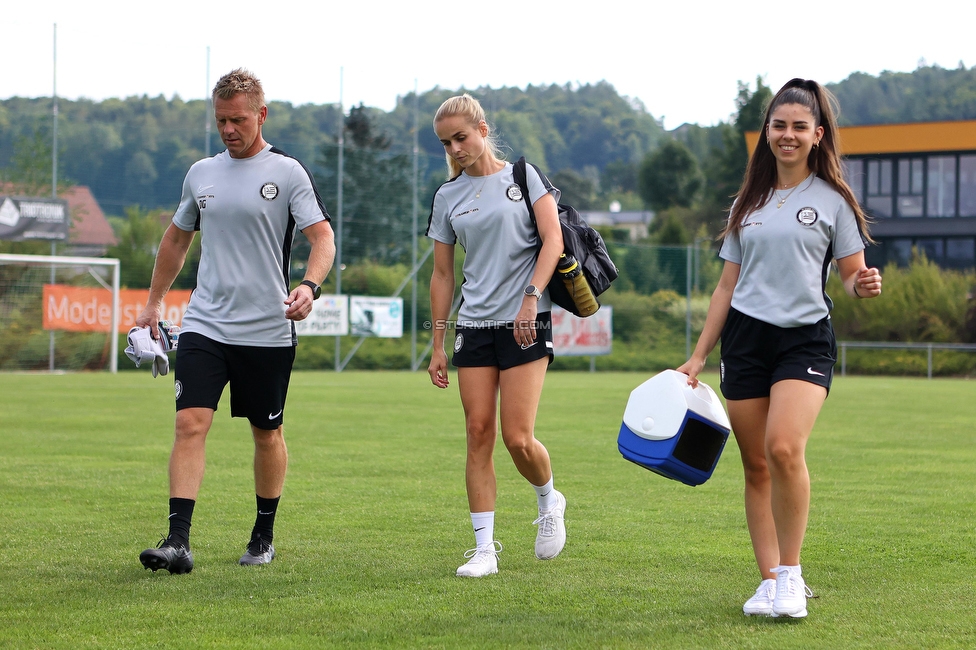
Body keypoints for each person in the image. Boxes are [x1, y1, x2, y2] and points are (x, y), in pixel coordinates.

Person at [677, 79, 882, 618]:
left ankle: (791, 576)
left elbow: (851, 273)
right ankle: (768, 580)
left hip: (804, 338)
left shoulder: (834, 201)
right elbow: (726, 287)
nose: (787, 135)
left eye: (798, 127)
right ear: (766, 133)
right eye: (778, 126)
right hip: (745, 340)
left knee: (784, 448)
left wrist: (862, 283)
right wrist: (698, 355)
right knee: (756, 465)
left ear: (817, 135)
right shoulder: (749, 202)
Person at [137, 68, 335, 574]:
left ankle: (263, 535)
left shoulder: (288, 172)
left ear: (261, 115)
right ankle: (177, 542)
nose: (229, 129)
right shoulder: (200, 173)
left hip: (267, 328)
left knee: (266, 432)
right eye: (221, 120)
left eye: (238, 119)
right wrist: (153, 305)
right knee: (189, 423)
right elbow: (176, 240)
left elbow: (322, 238)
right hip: (205, 322)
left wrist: (309, 286)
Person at [426, 93, 567, 577]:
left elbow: (555, 240)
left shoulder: (524, 177)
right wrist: (438, 344)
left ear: (483, 130)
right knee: (477, 433)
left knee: (517, 437)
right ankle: (485, 549)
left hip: (527, 320)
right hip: (475, 325)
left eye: (461, 137)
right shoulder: (447, 197)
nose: (456, 149)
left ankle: (549, 501)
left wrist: (531, 297)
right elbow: (443, 275)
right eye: (446, 143)